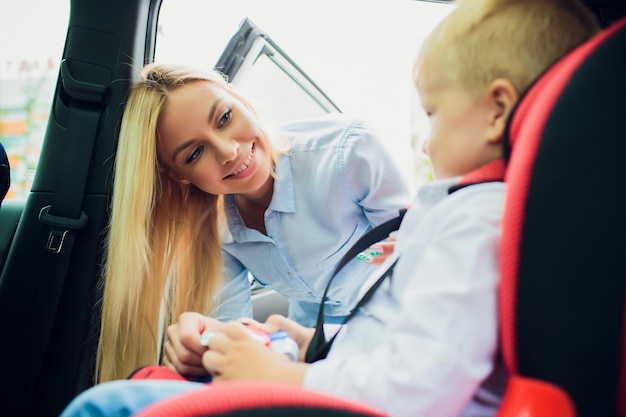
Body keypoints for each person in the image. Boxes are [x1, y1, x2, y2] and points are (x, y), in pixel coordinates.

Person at [61, 0, 600, 415]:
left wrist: (288, 374)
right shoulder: (455, 212)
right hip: (331, 354)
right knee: (145, 385)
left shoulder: (463, 216)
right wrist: (266, 344)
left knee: (104, 406)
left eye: (432, 115)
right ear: (179, 176)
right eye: (196, 152)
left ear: (496, 112)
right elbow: (398, 325)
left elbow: (413, 362)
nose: (422, 145)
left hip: (338, 378)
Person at [96, 63, 412, 383]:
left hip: (396, 334)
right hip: (307, 349)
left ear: (241, 101)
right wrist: (205, 339)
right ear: (179, 175)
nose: (229, 151)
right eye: (194, 154)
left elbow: (418, 266)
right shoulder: (213, 227)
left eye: (225, 118)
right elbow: (232, 324)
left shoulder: (349, 150)